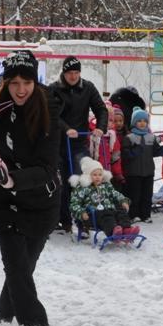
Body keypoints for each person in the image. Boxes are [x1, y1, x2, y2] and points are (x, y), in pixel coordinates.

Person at [0, 50, 63, 326]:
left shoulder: (49, 112)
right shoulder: (1, 104)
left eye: (26, 81)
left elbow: (48, 168)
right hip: (3, 202)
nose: (21, 89)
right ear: (6, 83)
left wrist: (13, 179)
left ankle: (4, 314)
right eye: (14, 83)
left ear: (35, 81)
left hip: (41, 202)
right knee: (16, 264)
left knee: (24, 266)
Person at [50, 57, 109, 232]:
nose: (73, 76)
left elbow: (101, 108)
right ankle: (63, 220)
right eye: (70, 73)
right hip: (58, 142)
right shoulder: (54, 89)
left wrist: (100, 127)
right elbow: (52, 114)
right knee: (61, 183)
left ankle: (83, 219)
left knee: (83, 179)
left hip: (79, 142)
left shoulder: (88, 87)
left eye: (76, 73)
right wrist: (66, 129)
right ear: (64, 73)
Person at [69, 157, 135, 236]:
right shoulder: (82, 188)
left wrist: (123, 200)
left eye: (100, 175)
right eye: (94, 175)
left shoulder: (106, 186)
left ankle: (127, 229)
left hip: (109, 211)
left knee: (120, 211)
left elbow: (115, 194)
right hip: (92, 215)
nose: (98, 177)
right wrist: (81, 213)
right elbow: (74, 204)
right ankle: (113, 232)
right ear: (88, 176)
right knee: (106, 215)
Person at [122, 108, 163, 223]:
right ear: (134, 123)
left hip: (148, 171)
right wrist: (132, 152)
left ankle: (146, 214)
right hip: (133, 172)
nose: (142, 123)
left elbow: (156, 151)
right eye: (139, 121)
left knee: (147, 195)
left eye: (144, 121)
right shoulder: (129, 137)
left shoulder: (151, 137)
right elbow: (125, 154)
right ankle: (134, 214)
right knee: (134, 195)